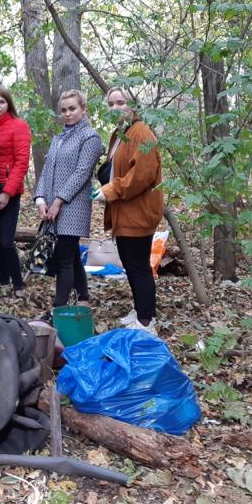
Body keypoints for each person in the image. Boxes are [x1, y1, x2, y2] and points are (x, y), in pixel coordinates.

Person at [92, 87, 164, 334]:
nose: (115, 108)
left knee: (138, 265)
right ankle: (141, 310)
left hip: (139, 212)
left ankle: (146, 320)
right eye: (111, 104)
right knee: (131, 264)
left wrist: (112, 191)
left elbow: (141, 176)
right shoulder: (121, 133)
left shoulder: (141, 133)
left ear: (133, 105)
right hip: (124, 211)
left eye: (120, 102)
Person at [34, 89, 103, 314]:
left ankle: (59, 309)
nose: (68, 113)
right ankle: (83, 298)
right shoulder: (58, 138)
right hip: (52, 206)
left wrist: (59, 202)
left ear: (83, 110)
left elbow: (82, 173)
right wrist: (41, 199)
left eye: (72, 108)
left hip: (73, 208)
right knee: (72, 256)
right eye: (63, 110)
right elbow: (46, 170)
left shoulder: (90, 137)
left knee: (64, 259)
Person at [0, 87, 31, 298]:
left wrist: (8, 192)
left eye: (1, 102)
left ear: (8, 104)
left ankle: (18, 283)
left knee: (5, 239)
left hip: (9, 189)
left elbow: (21, 163)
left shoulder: (18, 126)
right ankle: (3, 280)